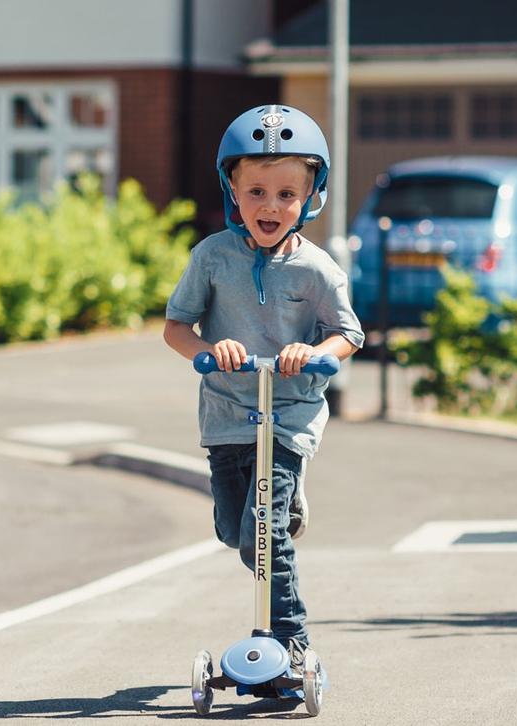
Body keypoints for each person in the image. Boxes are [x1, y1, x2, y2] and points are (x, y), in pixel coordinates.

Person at [163, 104, 363, 676]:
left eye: (285, 194)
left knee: (264, 530)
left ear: (309, 196)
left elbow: (349, 335)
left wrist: (315, 353)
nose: (270, 206)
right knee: (236, 530)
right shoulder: (212, 258)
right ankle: (284, 511)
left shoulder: (317, 270)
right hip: (227, 412)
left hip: (289, 415)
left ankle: (291, 640)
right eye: (256, 191)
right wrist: (207, 351)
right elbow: (176, 327)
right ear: (232, 188)